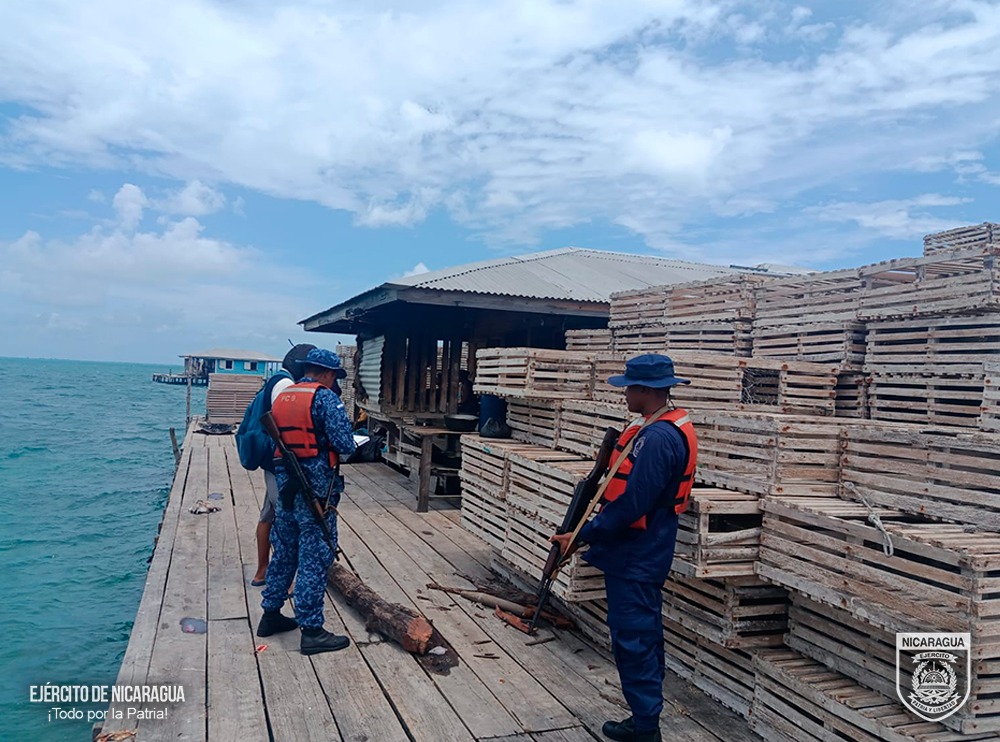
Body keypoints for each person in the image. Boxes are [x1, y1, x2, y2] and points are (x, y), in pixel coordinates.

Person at [550, 354, 697, 742]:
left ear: (647, 390)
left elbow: (634, 503)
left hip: (639, 553)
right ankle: (644, 717)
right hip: (636, 550)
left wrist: (583, 535)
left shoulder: (660, 438)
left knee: (634, 639)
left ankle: (646, 728)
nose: (624, 395)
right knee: (640, 636)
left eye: (629, 388)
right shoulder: (651, 426)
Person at [256, 348, 357, 655]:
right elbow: (345, 444)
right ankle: (311, 629)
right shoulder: (325, 398)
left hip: (286, 485)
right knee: (314, 554)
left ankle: (270, 614)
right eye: (334, 377)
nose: (334, 382)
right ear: (326, 373)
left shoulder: (284, 396)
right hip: (315, 488)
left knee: (285, 549)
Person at [251, 343, 316, 586]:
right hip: (276, 461)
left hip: (270, 460)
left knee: (267, 514)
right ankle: (283, 578)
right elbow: (285, 425)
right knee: (284, 517)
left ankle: (262, 571)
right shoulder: (286, 386)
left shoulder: (276, 380)